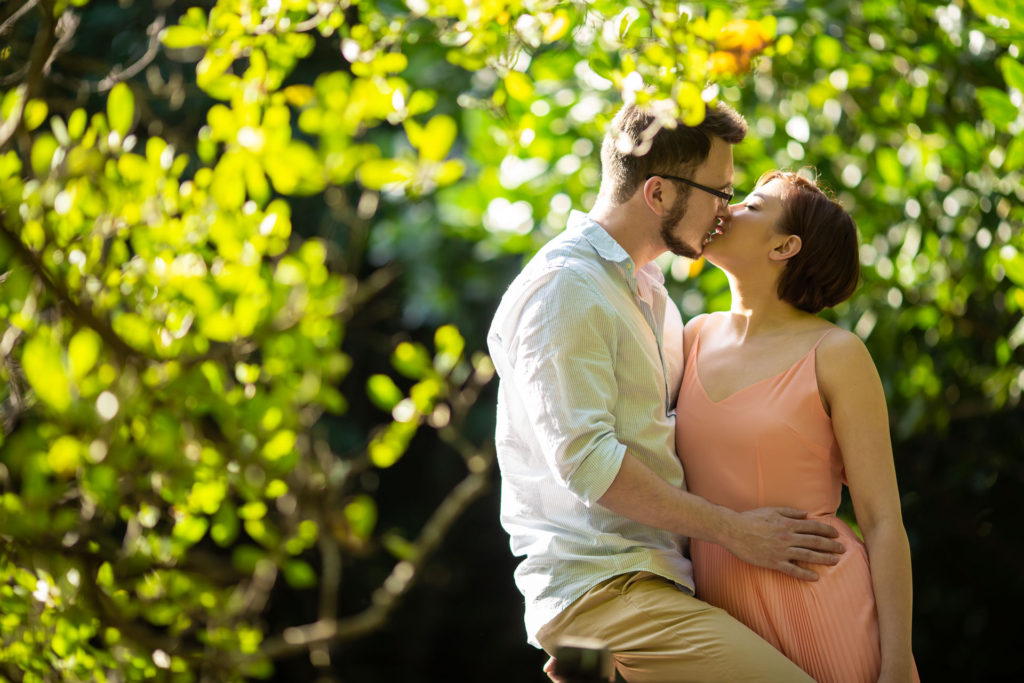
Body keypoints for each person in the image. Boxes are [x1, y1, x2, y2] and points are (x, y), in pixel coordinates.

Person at [487, 102, 846, 683]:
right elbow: (589, 465)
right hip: (604, 584)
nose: (725, 212)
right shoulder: (565, 288)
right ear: (657, 194)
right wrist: (738, 531)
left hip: (652, 581)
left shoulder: (649, 291)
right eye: (720, 193)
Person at [676, 170, 920, 682]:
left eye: (752, 205)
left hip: (822, 601)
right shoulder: (692, 336)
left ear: (785, 246)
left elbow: (881, 521)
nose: (727, 208)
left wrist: (899, 659)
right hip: (717, 619)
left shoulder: (837, 354)